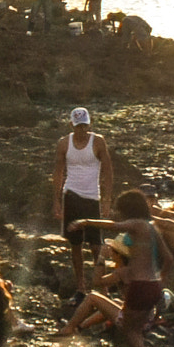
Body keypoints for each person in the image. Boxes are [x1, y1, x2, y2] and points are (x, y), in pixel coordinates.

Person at [67, 189, 166, 347]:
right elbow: (169, 258)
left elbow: (113, 226)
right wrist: (161, 282)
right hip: (152, 290)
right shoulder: (152, 228)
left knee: (130, 332)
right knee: (132, 328)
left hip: (140, 292)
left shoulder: (137, 226)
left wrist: (85, 222)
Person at [53, 108, 114, 296]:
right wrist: (57, 201)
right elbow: (58, 172)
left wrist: (106, 200)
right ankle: (81, 286)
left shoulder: (98, 141)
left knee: (96, 245)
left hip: (92, 198)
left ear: (90, 124)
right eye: (78, 126)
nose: (82, 130)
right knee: (76, 244)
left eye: (85, 126)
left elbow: (108, 172)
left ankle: (102, 286)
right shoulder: (64, 144)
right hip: (71, 195)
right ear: (72, 125)